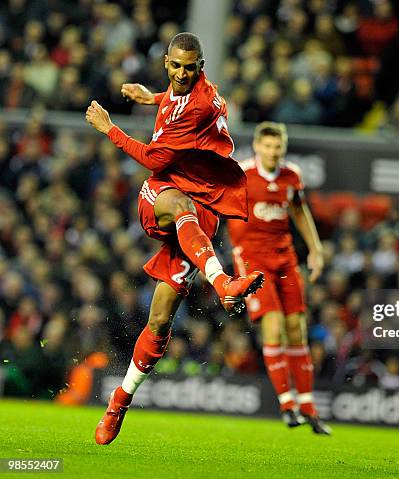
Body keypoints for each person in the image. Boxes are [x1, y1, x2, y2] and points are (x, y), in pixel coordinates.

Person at [85, 32, 264, 445]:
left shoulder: (196, 105)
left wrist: (108, 127)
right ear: (166, 62)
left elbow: (149, 153)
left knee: (161, 320)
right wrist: (152, 98)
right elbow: (158, 160)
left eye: (190, 67)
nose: (182, 74)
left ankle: (118, 402)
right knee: (181, 206)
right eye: (176, 66)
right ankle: (223, 281)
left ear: (201, 67)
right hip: (163, 195)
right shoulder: (187, 93)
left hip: (202, 210)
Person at [227, 122, 331, 435]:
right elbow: (219, 206)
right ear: (257, 147)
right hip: (252, 258)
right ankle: (287, 404)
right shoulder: (241, 175)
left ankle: (309, 406)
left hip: (284, 256)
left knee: (296, 328)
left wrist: (314, 249)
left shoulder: (292, 176)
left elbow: (300, 211)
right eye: (268, 146)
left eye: (278, 146)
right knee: (273, 325)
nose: (273, 152)